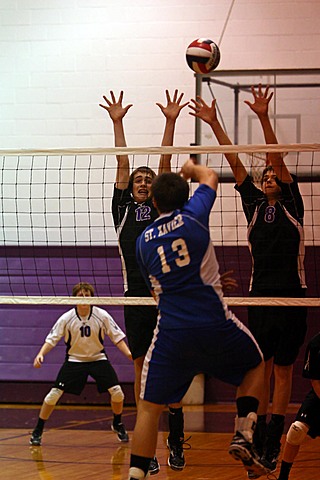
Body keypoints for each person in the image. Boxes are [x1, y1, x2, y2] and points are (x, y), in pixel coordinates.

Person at [189, 84, 308, 476]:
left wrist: (261, 116)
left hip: (294, 296)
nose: (270, 175)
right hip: (260, 297)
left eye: (275, 173)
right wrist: (214, 123)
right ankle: (251, 432)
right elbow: (237, 164)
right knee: (259, 365)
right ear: (260, 183)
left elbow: (274, 157)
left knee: (284, 371)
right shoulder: (254, 202)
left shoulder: (292, 202)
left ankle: (273, 437)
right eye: (266, 175)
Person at [128, 159, 272, 480]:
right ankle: (243, 432)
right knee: (256, 365)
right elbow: (210, 176)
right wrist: (191, 168)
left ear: (153, 202)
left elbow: (157, 291)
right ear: (185, 198)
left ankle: (136, 476)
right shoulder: (195, 216)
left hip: (172, 333)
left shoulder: (142, 241)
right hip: (214, 325)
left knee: (149, 407)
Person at [99, 89, 189, 474]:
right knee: (139, 371)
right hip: (135, 298)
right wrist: (117, 122)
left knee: (173, 369)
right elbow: (122, 163)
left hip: (168, 298)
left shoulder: (162, 208)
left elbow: (166, 163)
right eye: (137, 178)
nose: (141, 181)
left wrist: (171, 121)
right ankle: (147, 445)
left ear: (155, 189)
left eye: (147, 179)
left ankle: (175, 439)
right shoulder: (122, 209)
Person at [29, 282, 132, 446]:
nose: (84, 298)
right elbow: (52, 339)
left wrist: (129, 354)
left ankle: (117, 423)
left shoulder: (102, 315)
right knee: (53, 394)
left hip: (98, 358)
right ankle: (38, 430)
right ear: (74, 299)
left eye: (87, 295)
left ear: (92, 298)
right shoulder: (66, 318)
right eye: (80, 295)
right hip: (74, 360)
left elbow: (117, 338)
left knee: (118, 393)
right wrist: (41, 354)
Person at [276, 331, 320, 479]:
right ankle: (283, 476)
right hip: (319, 393)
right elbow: (316, 382)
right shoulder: (316, 344)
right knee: (296, 430)